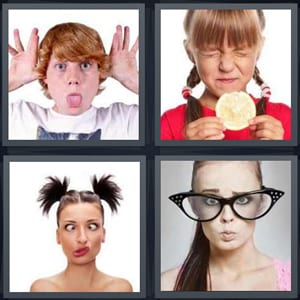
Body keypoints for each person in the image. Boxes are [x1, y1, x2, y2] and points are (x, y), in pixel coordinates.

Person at [160, 10, 291, 140]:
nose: (226, 66)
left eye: (241, 52)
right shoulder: (169, 125)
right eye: (211, 53)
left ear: (258, 51)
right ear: (190, 53)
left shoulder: (284, 121)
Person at [161, 161, 291, 291]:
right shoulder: (167, 285)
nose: (227, 217)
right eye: (211, 201)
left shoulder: (292, 279)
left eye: (242, 200)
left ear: (261, 202)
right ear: (194, 205)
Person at [8, 22, 138, 140]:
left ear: (99, 72)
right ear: (44, 74)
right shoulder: (18, 118)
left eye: (85, 65)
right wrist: (12, 80)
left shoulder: (125, 120)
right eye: (61, 66)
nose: (73, 78)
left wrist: (133, 80)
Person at [30, 175, 133, 292]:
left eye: (92, 226)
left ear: (103, 234)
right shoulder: (43, 289)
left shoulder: (119, 289)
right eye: (70, 227)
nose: (82, 238)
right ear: (58, 236)